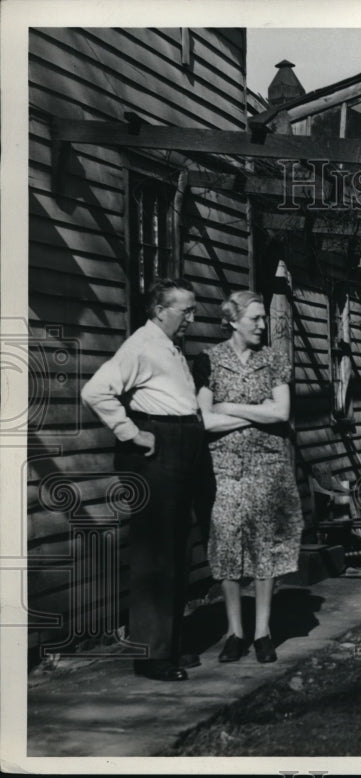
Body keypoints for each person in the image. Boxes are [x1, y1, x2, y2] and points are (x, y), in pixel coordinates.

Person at [80, 278, 204, 682]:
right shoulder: (141, 346)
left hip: (182, 443)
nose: (192, 317)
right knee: (156, 553)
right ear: (159, 311)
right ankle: (152, 656)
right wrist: (131, 432)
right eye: (185, 310)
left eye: (193, 309)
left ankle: (170, 645)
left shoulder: (169, 346)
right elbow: (95, 392)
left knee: (178, 548)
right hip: (158, 449)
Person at [193, 290, 303, 664]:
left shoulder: (274, 360)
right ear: (233, 321)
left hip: (267, 468)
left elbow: (281, 413)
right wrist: (257, 411)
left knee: (264, 547)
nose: (262, 324)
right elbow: (205, 421)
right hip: (223, 469)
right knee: (227, 546)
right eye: (255, 318)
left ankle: (262, 632)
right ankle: (234, 632)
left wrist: (230, 407)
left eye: (263, 318)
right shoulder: (209, 360)